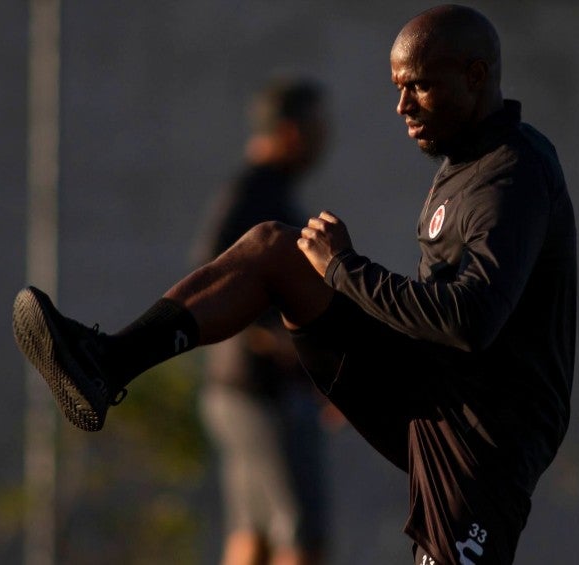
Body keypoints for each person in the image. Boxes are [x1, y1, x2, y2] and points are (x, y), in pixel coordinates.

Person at [12, 5, 576, 564]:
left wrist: (343, 268)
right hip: (424, 392)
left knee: (290, 539)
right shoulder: (460, 166)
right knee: (274, 251)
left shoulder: (515, 172)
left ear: (475, 77)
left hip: (483, 441)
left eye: (420, 87)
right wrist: (330, 284)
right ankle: (106, 362)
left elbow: (470, 320)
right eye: (398, 87)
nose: (402, 106)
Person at [192, 79, 331, 565]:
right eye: (318, 128)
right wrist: (282, 346)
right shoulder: (253, 196)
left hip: (237, 392)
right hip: (261, 396)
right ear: (292, 132)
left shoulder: (265, 192)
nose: (325, 140)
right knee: (303, 537)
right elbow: (208, 282)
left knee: (253, 533)